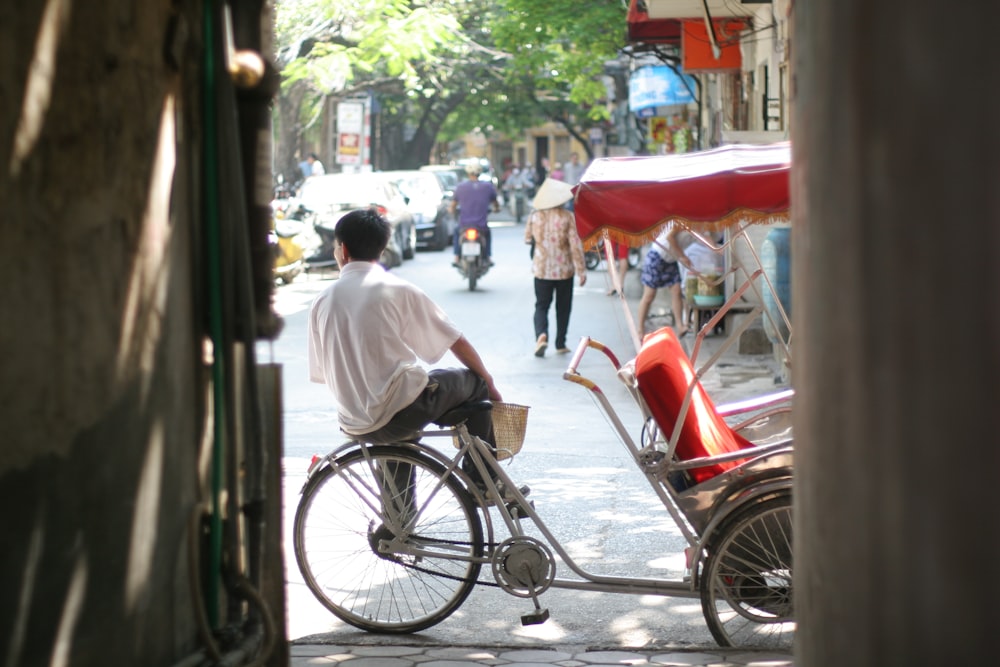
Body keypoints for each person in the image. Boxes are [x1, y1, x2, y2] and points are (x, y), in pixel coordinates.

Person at [308, 208, 522, 495]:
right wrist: (490, 385)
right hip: (398, 413)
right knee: (473, 383)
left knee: (395, 420)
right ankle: (484, 483)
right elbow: (455, 341)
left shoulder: (322, 301)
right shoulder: (395, 289)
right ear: (382, 250)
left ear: (342, 250)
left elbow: (324, 371)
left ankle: (398, 531)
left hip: (355, 421)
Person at [523, 178, 588, 357]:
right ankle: (560, 343)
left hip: (541, 269)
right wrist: (581, 271)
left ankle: (541, 335)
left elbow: (527, 238)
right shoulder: (568, 216)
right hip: (564, 270)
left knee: (541, 306)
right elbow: (575, 245)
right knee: (563, 307)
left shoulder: (535, 216)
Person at [636, 221, 698, 338]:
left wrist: (718, 249)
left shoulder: (698, 225)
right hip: (657, 256)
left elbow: (707, 237)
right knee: (649, 295)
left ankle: (680, 327)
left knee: (676, 291)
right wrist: (682, 256)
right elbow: (670, 237)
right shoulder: (680, 220)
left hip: (671, 260)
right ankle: (640, 329)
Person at [450, 164, 499, 266]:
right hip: (481, 225)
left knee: (456, 232)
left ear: (468, 174)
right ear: (479, 174)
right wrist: (496, 209)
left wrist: (451, 210)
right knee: (488, 234)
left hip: (464, 224)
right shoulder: (488, 186)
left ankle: (456, 256)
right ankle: (488, 257)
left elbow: (453, 205)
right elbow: (495, 203)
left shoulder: (460, 187)